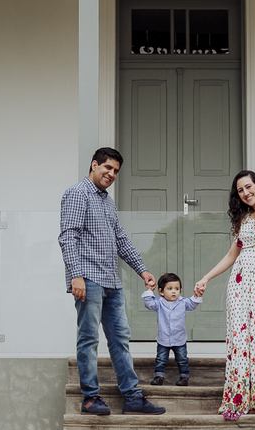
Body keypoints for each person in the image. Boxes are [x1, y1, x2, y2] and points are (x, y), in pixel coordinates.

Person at [59, 147, 166, 416]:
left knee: (120, 338)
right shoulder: (77, 193)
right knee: (88, 339)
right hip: (88, 279)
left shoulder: (107, 201)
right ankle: (90, 398)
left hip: (112, 281)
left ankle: (131, 397)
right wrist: (76, 275)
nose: (112, 174)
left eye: (116, 171)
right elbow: (67, 236)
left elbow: (120, 239)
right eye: (108, 168)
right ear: (94, 165)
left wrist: (142, 270)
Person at [194, 170, 255, 421]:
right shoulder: (243, 219)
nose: (246, 193)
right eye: (240, 190)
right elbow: (231, 256)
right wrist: (206, 277)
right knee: (241, 341)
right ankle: (241, 397)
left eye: (249, 187)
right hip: (239, 288)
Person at [142, 273, 202, 386]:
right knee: (161, 359)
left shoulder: (183, 302)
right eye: (169, 289)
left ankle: (184, 377)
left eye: (177, 288)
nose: (174, 291)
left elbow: (193, 305)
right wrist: (149, 290)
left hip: (179, 339)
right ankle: (159, 376)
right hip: (163, 339)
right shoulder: (159, 303)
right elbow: (149, 304)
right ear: (161, 291)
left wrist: (197, 295)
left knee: (182, 359)